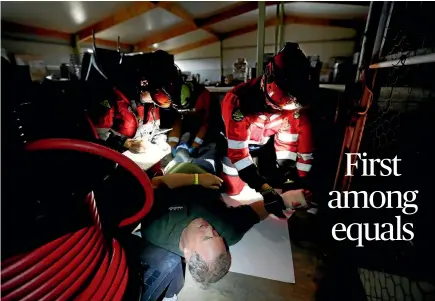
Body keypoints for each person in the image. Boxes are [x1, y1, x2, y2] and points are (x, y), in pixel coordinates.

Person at [140, 162, 309, 288]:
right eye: (216, 234)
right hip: (213, 181)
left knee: (183, 156)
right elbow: (256, 212)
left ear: (188, 253)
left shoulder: (155, 227)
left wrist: (197, 178)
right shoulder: (229, 232)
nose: (210, 228)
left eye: (207, 237)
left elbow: (156, 183)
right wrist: (286, 200)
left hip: (184, 174)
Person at [219, 42, 314, 218]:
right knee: (233, 193)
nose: (280, 113)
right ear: (267, 80)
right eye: (275, 107)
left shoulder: (293, 103)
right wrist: (264, 189)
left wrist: (290, 178)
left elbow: (287, 141)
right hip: (237, 146)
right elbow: (238, 154)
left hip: (265, 145)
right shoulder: (238, 102)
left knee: (275, 184)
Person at [167, 79, 213, 157]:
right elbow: (176, 121)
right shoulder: (175, 95)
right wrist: (172, 144)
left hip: (203, 123)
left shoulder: (203, 96)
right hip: (187, 123)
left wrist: (195, 145)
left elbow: (206, 123)